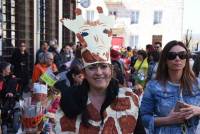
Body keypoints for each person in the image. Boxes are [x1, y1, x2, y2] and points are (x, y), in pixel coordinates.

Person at [58, 6, 139, 133]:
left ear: (111, 70)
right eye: (92, 67)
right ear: (84, 73)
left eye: (103, 66)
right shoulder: (69, 99)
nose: (99, 72)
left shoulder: (129, 99)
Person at [140, 40, 200, 134]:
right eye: (172, 55)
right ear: (165, 60)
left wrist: (197, 110)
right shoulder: (153, 86)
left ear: (186, 59)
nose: (177, 58)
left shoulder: (197, 84)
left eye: (182, 55)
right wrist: (168, 120)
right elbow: (143, 118)